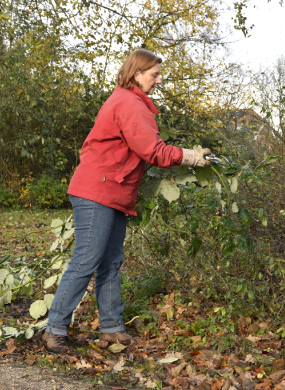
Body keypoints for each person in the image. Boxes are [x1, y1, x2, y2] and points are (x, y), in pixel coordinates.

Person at [42, 49, 211, 353]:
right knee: (87, 260)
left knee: (110, 262)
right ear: (137, 74)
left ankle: (111, 329)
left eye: (159, 74)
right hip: (98, 191)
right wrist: (191, 157)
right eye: (154, 74)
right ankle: (54, 328)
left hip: (113, 191)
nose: (158, 80)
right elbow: (153, 150)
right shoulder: (129, 103)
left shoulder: (129, 100)